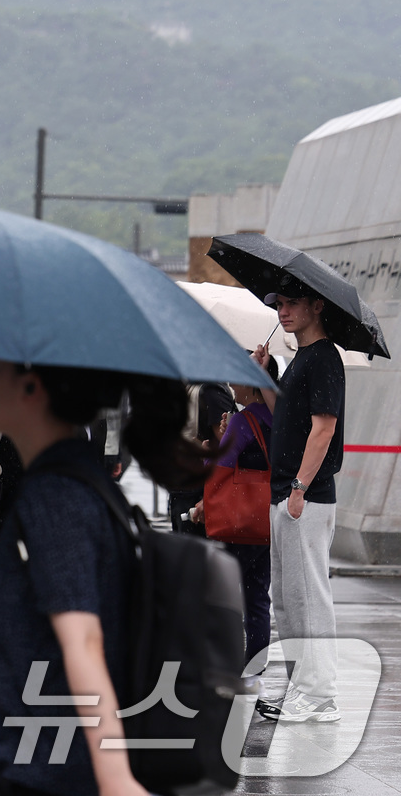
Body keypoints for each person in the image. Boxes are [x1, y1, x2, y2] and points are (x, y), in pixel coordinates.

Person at [0, 362, 208, 796]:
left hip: (46, 770)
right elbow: (55, 622)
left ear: (34, 386)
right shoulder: (75, 481)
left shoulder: (56, 498)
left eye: (2, 370)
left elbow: (83, 640)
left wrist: (115, 779)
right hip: (43, 760)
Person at [254, 281, 346, 723]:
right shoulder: (300, 360)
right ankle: (302, 690)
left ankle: (320, 695)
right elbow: (282, 417)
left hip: (304, 497)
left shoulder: (325, 357)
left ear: (317, 305)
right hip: (289, 495)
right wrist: (266, 375)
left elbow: (323, 429)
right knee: (289, 599)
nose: (283, 311)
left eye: (291, 303)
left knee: (309, 597)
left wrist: (299, 488)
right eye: (279, 305)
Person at [196, 355, 279, 688]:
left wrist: (210, 445)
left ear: (253, 383)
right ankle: (254, 672)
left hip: (238, 525)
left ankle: (224, 666)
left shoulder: (243, 421)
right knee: (258, 597)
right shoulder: (282, 419)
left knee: (225, 596)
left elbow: (221, 466)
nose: (231, 386)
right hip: (266, 522)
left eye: (237, 379)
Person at [167, 382, 235, 534]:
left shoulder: (199, 388)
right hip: (193, 484)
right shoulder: (211, 389)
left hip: (188, 480)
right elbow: (225, 441)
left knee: (186, 548)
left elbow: (223, 441)